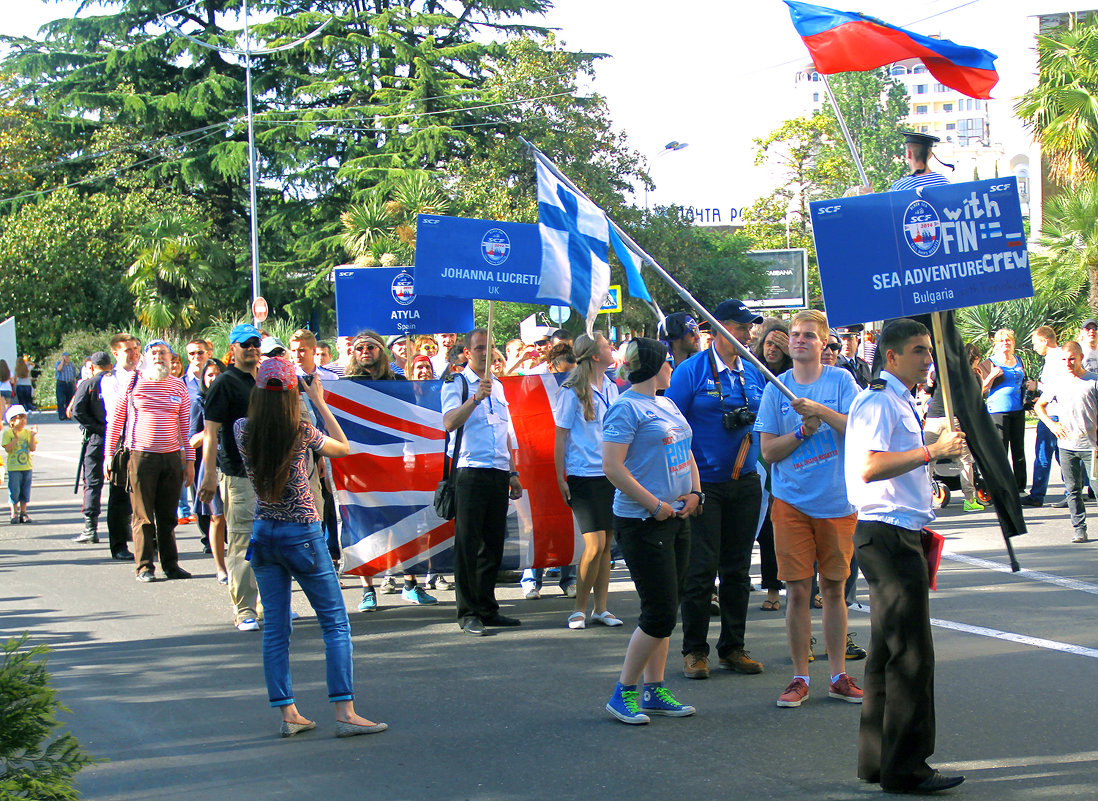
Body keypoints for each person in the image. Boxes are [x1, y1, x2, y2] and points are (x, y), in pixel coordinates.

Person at [234, 356, 387, 739]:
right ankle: (345, 712)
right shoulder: (302, 432)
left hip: (263, 532)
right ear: (291, 393)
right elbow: (344, 448)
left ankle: (288, 713)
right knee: (334, 623)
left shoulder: (242, 430)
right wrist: (318, 401)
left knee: (276, 630)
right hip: (301, 531)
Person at [845, 317, 966, 794]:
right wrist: (930, 452)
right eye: (918, 350)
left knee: (887, 654)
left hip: (898, 532)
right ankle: (907, 767)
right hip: (888, 535)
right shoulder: (878, 399)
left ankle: (880, 762)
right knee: (911, 656)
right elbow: (870, 466)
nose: (926, 358)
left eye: (927, 351)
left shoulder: (894, 398)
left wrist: (926, 475)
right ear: (891, 356)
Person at [754, 310, 863, 708]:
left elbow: (858, 429)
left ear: (823, 344)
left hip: (837, 502)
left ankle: (838, 675)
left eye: (808, 336)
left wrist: (820, 412)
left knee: (833, 591)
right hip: (791, 504)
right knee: (797, 592)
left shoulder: (841, 382)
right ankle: (800, 677)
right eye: (794, 335)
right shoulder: (775, 389)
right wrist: (801, 431)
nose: (799, 341)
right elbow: (768, 452)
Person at [665, 298, 767, 679]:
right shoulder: (691, 371)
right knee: (701, 571)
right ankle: (694, 651)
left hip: (745, 483)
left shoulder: (753, 373)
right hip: (704, 485)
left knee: (738, 571)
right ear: (718, 329)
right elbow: (670, 424)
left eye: (749, 328)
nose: (747, 334)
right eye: (740, 327)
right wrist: (685, 483)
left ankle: (733, 648)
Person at [602, 337, 701, 724]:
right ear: (654, 365)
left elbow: (686, 450)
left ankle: (653, 689)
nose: (673, 366)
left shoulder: (666, 402)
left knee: (668, 609)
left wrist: (695, 491)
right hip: (643, 522)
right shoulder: (626, 408)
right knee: (658, 611)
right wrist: (654, 505)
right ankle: (622, 692)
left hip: (676, 516)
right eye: (668, 361)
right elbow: (613, 467)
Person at [441, 328, 523, 636]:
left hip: (498, 471)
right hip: (469, 470)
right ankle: (468, 611)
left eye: (490, 348)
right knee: (468, 545)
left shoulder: (499, 386)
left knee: (493, 544)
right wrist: (476, 398)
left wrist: (513, 472)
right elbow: (449, 422)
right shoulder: (458, 383)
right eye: (479, 348)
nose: (486, 354)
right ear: (466, 353)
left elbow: (504, 433)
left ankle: (488, 607)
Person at [105, 340, 195, 582]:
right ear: (145, 358)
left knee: (167, 516)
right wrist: (108, 454)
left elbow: (185, 428)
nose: (158, 357)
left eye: (163, 353)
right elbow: (116, 421)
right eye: (153, 353)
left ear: (171, 358)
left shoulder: (179, 387)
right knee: (143, 516)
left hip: (171, 458)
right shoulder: (133, 383)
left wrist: (189, 462)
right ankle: (145, 566)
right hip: (141, 457)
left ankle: (171, 564)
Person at [550, 333, 621, 629]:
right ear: (594, 356)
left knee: (607, 544)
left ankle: (601, 608)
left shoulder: (614, 388)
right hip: (582, 475)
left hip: (610, 474)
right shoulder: (571, 391)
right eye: (607, 346)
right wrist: (560, 477)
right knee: (594, 544)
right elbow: (561, 436)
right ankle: (578, 608)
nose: (612, 349)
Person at [199, 323, 263, 630]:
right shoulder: (224, 383)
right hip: (238, 475)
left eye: (255, 343)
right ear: (232, 349)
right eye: (244, 344)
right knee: (242, 543)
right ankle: (244, 610)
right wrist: (209, 475)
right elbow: (210, 432)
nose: (251, 348)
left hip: (271, 475)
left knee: (270, 543)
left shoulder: (264, 379)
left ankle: (268, 606)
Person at [1034, 341, 1098, 543]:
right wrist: (1053, 426)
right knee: (1073, 490)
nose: (1068, 363)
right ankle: (1079, 528)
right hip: (1067, 446)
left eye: (1072, 358)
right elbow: (1039, 407)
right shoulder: (1058, 382)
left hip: (1092, 446)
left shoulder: (1093, 381)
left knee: (1096, 488)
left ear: (1080, 358)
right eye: (1065, 359)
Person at [99, 334, 141, 561]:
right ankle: (118, 544)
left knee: (145, 494)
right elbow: (116, 411)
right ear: (116, 354)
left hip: (144, 439)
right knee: (119, 495)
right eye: (128, 350)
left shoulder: (146, 374)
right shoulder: (110, 379)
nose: (134, 354)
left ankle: (148, 542)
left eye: (136, 348)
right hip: (121, 439)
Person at [70, 351, 114, 544]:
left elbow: (77, 411)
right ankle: (124, 526)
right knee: (121, 484)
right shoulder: (117, 382)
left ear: (93, 367)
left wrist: (96, 427)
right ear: (110, 365)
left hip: (97, 438)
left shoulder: (88, 384)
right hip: (117, 437)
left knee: (92, 483)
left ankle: (90, 528)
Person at [191, 358, 228, 582]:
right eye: (209, 375)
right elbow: (192, 440)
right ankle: (220, 567)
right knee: (218, 517)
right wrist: (212, 429)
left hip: (234, 465)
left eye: (217, 373)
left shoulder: (231, 398)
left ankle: (241, 565)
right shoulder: (199, 402)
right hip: (211, 465)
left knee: (238, 520)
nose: (213, 378)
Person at [982, 328, 1031, 492]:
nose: (1005, 343)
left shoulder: (1018, 360)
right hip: (997, 410)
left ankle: (1019, 487)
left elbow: (1023, 381)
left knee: (1019, 449)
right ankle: (1001, 487)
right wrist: (992, 376)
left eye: (1008, 340)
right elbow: (980, 388)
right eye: (1002, 340)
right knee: (1001, 449)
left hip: (1018, 409)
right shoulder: (990, 362)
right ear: (996, 344)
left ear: (1013, 343)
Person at [1023, 326, 1067, 508]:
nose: (1034, 348)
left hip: (1052, 413)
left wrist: (1037, 387)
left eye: (1035, 343)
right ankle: (1073, 492)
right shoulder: (1059, 356)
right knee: (1062, 454)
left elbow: (1056, 386)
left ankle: (1037, 495)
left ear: (1044, 341)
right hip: (1056, 411)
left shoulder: (1055, 358)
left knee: (1044, 455)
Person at [3, 404, 37, 523]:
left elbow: (32, 448)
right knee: (14, 490)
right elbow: (7, 449)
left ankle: (24, 512)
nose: (23, 421)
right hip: (14, 467)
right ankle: (13, 513)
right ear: (12, 421)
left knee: (25, 490)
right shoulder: (8, 433)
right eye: (20, 418)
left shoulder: (27, 433)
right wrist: (15, 440)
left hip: (27, 466)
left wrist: (32, 436)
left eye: (24, 418)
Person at [54, 353, 78, 421]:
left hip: (70, 383)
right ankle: (62, 415)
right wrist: (62, 362)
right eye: (66, 357)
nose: (67, 358)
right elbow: (59, 369)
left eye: (68, 357)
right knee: (61, 400)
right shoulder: (58, 363)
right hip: (61, 383)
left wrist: (74, 384)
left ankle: (68, 415)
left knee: (69, 400)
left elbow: (74, 375)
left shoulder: (71, 365)